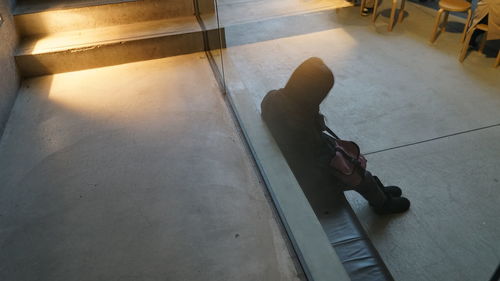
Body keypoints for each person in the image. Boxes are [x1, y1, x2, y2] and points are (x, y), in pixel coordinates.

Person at [261, 57, 410, 215]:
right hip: (313, 182)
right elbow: (320, 158)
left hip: (294, 161)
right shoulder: (302, 126)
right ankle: (382, 203)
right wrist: (347, 163)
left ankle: (377, 189)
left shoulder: (273, 98)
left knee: (351, 162)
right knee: (358, 174)